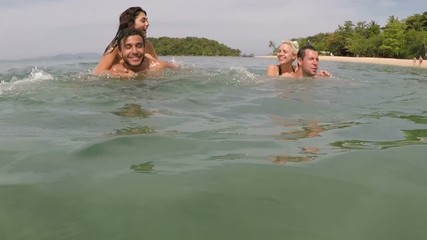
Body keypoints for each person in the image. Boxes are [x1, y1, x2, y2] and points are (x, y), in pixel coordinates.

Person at [94, 7, 158, 75]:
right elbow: (98, 73)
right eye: (143, 21)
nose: (147, 24)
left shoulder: (148, 44)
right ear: (131, 23)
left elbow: (159, 66)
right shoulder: (115, 47)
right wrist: (122, 75)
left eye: (147, 21)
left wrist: (151, 60)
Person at [109, 28, 178, 78]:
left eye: (139, 46)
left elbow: (178, 68)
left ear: (144, 49)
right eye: (128, 47)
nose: (135, 51)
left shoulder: (158, 66)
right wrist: (122, 76)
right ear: (120, 53)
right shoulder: (116, 70)